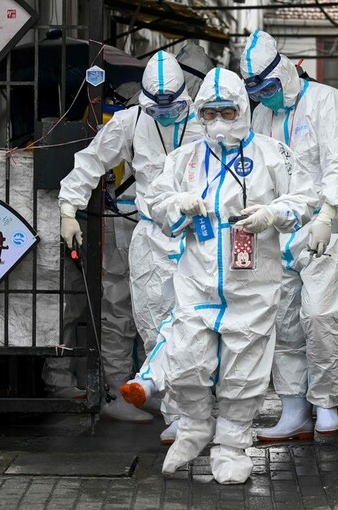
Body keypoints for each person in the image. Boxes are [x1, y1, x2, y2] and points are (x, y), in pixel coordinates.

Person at [146, 67, 317, 484]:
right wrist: (179, 205)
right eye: (209, 113)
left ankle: (232, 446)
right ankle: (194, 427)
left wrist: (273, 213)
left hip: (252, 284)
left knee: (244, 373)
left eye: (227, 111)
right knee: (186, 362)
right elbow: (157, 202)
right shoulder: (184, 159)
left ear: (243, 109)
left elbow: (306, 197)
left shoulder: (274, 154)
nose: (218, 121)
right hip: (197, 281)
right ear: (199, 114)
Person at [55, 48, 205, 429]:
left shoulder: (203, 121)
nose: (165, 114)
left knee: (192, 321)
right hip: (148, 235)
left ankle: (178, 400)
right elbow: (91, 160)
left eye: (173, 107)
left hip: (195, 235)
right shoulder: (132, 121)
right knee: (140, 319)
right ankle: (128, 393)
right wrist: (69, 209)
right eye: (157, 108)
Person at [239, 30, 338, 440]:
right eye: (257, 92)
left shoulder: (327, 101)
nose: (265, 97)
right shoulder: (261, 115)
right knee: (283, 319)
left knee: (322, 316)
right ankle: (293, 409)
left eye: (269, 88)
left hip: (324, 225)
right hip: (277, 226)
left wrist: (328, 213)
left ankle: (325, 403)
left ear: (285, 72)